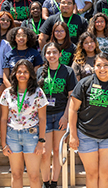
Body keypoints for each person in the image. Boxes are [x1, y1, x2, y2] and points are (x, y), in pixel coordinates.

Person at [69, 52, 108, 188]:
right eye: (98, 65)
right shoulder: (85, 83)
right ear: (93, 67)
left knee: (106, 174)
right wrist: (73, 135)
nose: (102, 69)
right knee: (91, 174)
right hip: (86, 136)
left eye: (105, 65)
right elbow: (72, 109)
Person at [0, 59, 48, 188]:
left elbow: (43, 118)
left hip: (31, 135)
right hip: (12, 135)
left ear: (31, 74)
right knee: (16, 174)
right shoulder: (7, 93)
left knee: (33, 175)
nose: (22, 74)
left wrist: (41, 141)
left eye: (26, 72)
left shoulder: (38, 92)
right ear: (14, 73)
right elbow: (3, 119)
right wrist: (3, 143)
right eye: (19, 71)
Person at [37, 43, 77, 188]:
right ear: (45, 55)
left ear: (60, 54)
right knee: (45, 152)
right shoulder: (40, 71)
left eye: (55, 52)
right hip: (44, 116)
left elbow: (71, 97)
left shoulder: (68, 71)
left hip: (61, 114)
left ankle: (54, 182)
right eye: (48, 53)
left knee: (57, 150)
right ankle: (45, 182)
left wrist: (66, 117)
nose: (51, 55)